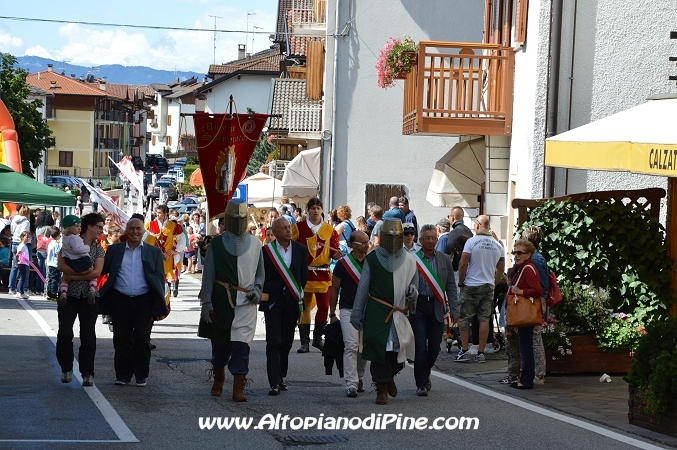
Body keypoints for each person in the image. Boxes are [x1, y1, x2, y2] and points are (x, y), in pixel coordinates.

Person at [199, 200, 264, 401]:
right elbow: (208, 275)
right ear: (227, 219)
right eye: (234, 219)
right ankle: (218, 379)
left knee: (241, 347)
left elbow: (260, 274)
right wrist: (207, 303)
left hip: (246, 302)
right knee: (220, 345)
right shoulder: (216, 243)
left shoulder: (255, 243)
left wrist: (258, 291)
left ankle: (238, 387)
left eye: (240, 219)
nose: (237, 223)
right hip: (221, 301)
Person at [350, 219, 418, 405]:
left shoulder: (410, 260)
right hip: (377, 310)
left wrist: (413, 292)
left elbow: (414, 284)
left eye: (397, 236)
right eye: (390, 236)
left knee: (397, 351)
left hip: (398, 312)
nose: (394, 239)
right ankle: (381, 389)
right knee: (377, 349)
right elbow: (363, 287)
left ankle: (389, 377)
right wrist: (357, 312)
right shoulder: (372, 258)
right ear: (382, 236)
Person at [99, 218, 167, 387]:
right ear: (126, 231)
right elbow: (103, 269)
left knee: (141, 336)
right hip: (120, 299)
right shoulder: (115, 250)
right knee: (121, 338)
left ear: (143, 231)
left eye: (138, 229)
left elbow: (159, 277)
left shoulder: (154, 252)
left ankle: (141, 374)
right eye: (131, 229)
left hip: (144, 300)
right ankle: (122, 374)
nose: (135, 232)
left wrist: (159, 304)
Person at [261, 217, 309, 395]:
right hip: (273, 301)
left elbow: (303, 276)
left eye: (289, 227)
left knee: (287, 341)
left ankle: (281, 376)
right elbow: (262, 275)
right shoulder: (266, 252)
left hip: (292, 300)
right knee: (274, 340)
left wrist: (297, 295)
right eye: (284, 228)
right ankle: (273, 382)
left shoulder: (300, 250)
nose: (289, 230)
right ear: (274, 232)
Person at [56, 213, 105, 386]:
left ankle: (87, 373)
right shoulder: (69, 241)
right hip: (68, 295)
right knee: (65, 333)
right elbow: (60, 266)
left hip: (89, 297)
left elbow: (97, 272)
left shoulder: (98, 248)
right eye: (99, 226)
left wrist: (70, 277)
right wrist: (80, 275)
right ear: (89, 227)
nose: (101, 230)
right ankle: (66, 368)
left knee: (88, 335)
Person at [410, 224, 458, 396]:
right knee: (421, 345)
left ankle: (425, 371)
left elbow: (451, 285)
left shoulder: (445, 259)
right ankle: (421, 383)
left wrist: (454, 308)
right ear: (420, 240)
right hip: (419, 305)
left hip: (437, 305)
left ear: (437, 239)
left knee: (436, 348)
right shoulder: (413, 259)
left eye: (433, 238)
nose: (430, 241)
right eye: (427, 238)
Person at [292, 198, 342, 353]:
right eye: (313, 208)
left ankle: (318, 338)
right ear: (308, 210)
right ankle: (305, 342)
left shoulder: (330, 230)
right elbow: (291, 246)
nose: (315, 211)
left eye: (318, 208)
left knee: (324, 306)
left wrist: (337, 255)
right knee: (305, 307)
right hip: (304, 273)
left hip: (323, 274)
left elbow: (334, 251)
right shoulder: (298, 228)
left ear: (321, 210)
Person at [455, 215, 505, 363]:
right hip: (488, 285)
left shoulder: (471, 242)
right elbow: (501, 269)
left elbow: (463, 264)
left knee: (465, 317)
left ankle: (464, 350)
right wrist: (493, 283)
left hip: (471, 284)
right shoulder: (498, 245)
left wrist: (461, 282)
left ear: (477, 225)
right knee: (484, 319)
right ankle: (481, 352)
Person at [329, 230, 370, 398]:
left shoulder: (371, 262)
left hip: (368, 309)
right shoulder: (343, 264)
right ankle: (351, 384)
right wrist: (332, 313)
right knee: (351, 345)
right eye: (363, 243)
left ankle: (359, 377)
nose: (367, 245)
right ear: (353, 245)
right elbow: (335, 290)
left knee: (363, 347)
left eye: (368, 242)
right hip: (348, 309)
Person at [508, 239, 543, 389]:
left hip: (525, 313)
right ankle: (525, 378)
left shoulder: (527, 269)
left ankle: (526, 380)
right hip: (523, 313)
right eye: (514, 252)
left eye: (520, 253)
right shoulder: (522, 268)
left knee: (526, 348)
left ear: (528, 254)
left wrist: (521, 291)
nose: (516, 255)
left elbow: (538, 290)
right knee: (525, 347)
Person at [521, 225, 550, 385]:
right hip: (536, 300)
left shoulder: (536, 260)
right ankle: (535, 372)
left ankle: (538, 373)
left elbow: (540, 285)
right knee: (534, 337)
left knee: (535, 338)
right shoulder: (538, 258)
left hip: (534, 301)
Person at [145, 204, 186, 298]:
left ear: (166, 214)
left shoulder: (174, 226)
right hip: (154, 256)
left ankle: (166, 295)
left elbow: (182, 239)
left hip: (167, 256)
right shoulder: (149, 225)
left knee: (165, 276)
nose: (157, 215)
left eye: (159, 213)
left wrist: (176, 250)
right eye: (156, 213)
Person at [59, 215, 98, 305]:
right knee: (91, 271)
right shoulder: (74, 238)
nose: (79, 229)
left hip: (69, 260)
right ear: (68, 228)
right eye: (76, 226)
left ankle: (63, 292)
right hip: (81, 259)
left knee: (66, 278)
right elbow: (77, 249)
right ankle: (92, 289)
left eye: (80, 226)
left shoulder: (65, 238)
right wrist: (87, 248)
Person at [8, 205, 31, 295]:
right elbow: (25, 233)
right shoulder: (26, 221)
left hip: (14, 242)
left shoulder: (14, 219)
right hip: (22, 243)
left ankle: (11, 288)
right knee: (25, 266)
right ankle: (24, 288)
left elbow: (12, 230)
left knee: (14, 266)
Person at [35, 210, 55, 296]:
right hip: (46, 250)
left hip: (39, 250)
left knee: (40, 270)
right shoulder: (48, 228)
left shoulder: (38, 228)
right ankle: (44, 288)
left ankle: (38, 288)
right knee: (46, 271)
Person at [14, 231, 32, 299]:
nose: (28, 238)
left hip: (25, 263)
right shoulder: (21, 245)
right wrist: (17, 261)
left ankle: (20, 291)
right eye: (26, 236)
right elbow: (17, 254)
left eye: (29, 237)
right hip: (22, 263)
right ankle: (20, 292)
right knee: (22, 278)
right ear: (22, 237)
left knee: (22, 278)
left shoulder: (24, 246)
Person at [46, 226, 62, 301]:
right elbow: (57, 254)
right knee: (55, 280)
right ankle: (53, 294)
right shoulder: (56, 244)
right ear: (58, 235)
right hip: (55, 264)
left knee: (50, 279)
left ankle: (49, 293)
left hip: (50, 263)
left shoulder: (50, 243)